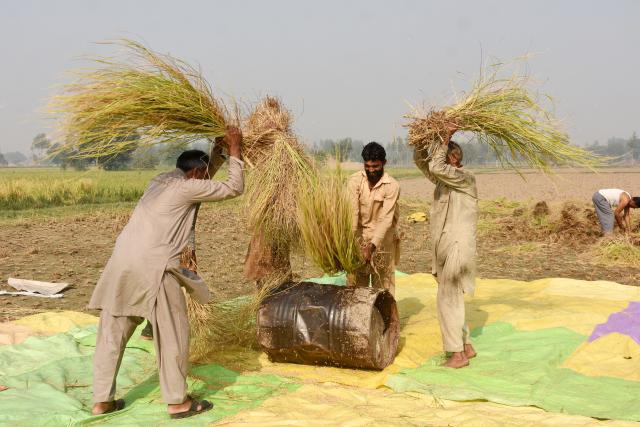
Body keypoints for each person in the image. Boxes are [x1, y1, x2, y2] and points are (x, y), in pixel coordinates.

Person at [88, 126, 244, 418]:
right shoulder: (188, 187)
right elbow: (234, 187)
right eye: (203, 173)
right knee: (173, 332)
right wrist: (234, 150)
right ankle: (177, 401)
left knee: (112, 334)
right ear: (196, 175)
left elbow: (202, 179)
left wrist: (216, 152)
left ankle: (101, 401)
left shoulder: (160, 180)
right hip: (156, 268)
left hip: (121, 263)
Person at [414, 126, 477, 369]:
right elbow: (425, 165)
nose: (436, 158)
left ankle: (457, 354)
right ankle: (467, 346)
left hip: (457, 248)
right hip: (445, 247)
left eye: (442, 152)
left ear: (453, 158)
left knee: (447, 299)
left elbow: (435, 166)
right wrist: (420, 142)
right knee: (453, 298)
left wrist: (445, 138)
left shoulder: (465, 178)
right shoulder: (444, 182)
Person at [347, 142, 400, 296]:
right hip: (358, 239)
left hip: (383, 242)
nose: (371, 170)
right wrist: (350, 243)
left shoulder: (392, 186)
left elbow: (386, 219)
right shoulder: (355, 181)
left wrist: (372, 246)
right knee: (356, 290)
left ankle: (385, 319)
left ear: (384, 163)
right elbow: (352, 212)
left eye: (375, 166)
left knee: (383, 289)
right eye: (367, 166)